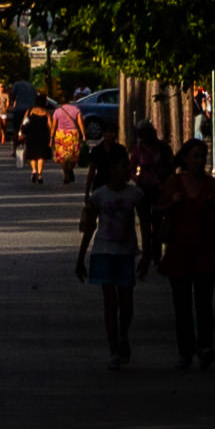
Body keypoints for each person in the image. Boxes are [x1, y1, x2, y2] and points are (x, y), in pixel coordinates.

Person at [154, 138, 215, 369]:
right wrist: (172, 203)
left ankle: (205, 345)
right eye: (195, 156)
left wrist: (214, 209)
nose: (199, 161)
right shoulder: (174, 182)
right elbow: (158, 208)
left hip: (205, 249)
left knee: (204, 303)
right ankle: (185, 350)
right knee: (182, 305)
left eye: (202, 156)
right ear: (185, 158)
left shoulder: (212, 184)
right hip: (179, 250)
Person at [77, 140, 144, 366]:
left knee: (126, 302)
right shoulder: (100, 196)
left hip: (126, 253)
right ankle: (113, 348)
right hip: (103, 252)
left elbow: (146, 224)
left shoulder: (135, 195)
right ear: (113, 168)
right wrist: (81, 258)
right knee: (110, 302)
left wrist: (147, 253)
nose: (128, 171)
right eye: (124, 166)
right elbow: (89, 228)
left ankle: (123, 333)